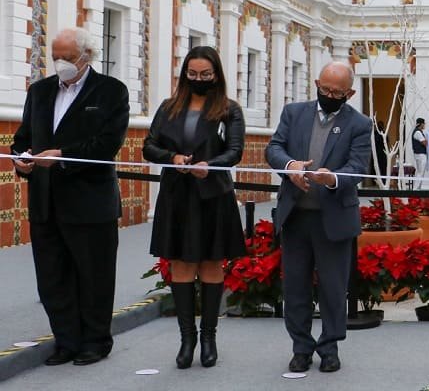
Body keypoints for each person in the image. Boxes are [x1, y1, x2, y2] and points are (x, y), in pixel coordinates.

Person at [10, 28, 129, 366]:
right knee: (52, 276)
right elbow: (23, 138)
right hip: (45, 201)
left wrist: (62, 155)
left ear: (86, 56)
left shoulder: (111, 91)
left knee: (94, 275)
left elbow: (107, 145)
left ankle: (94, 341)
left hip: (90, 202)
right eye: (55, 56)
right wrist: (23, 160)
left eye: (67, 57)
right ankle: (66, 340)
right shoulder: (40, 91)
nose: (60, 63)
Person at [266, 60, 372, 374]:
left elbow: (358, 167)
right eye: (324, 89)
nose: (329, 94)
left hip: (334, 219)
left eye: (336, 92)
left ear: (349, 93)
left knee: (333, 287)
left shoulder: (360, 124)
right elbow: (274, 148)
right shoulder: (293, 113)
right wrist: (290, 167)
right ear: (316, 83)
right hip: (296, 217)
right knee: (295, 286)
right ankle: (301, 348)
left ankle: (329, 347)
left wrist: (333, 178)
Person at [144, 46, 246, 369]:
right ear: (185, 74)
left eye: (205, 74)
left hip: (213, 194)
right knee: (181, 264)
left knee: (211, 264)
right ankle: (186, 339)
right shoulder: (168, 107)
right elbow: (150, 145)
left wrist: (210, 165)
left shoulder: (229, 109)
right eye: (192, 74)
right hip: (177, 195)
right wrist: (171, 159)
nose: (198, 79)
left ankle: (209, 338)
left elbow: (235, 151)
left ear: (216, 75)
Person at [411, 117, 428, 183]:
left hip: (419, 154)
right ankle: (416, 189)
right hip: (420, 154)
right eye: (424, 124)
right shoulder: (418, 132)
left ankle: (418, 188)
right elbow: (424, 143)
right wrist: (426, 140)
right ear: (421, 124)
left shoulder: (418, 131)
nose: (424, 125)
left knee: (420, 172)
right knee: (420, 173)